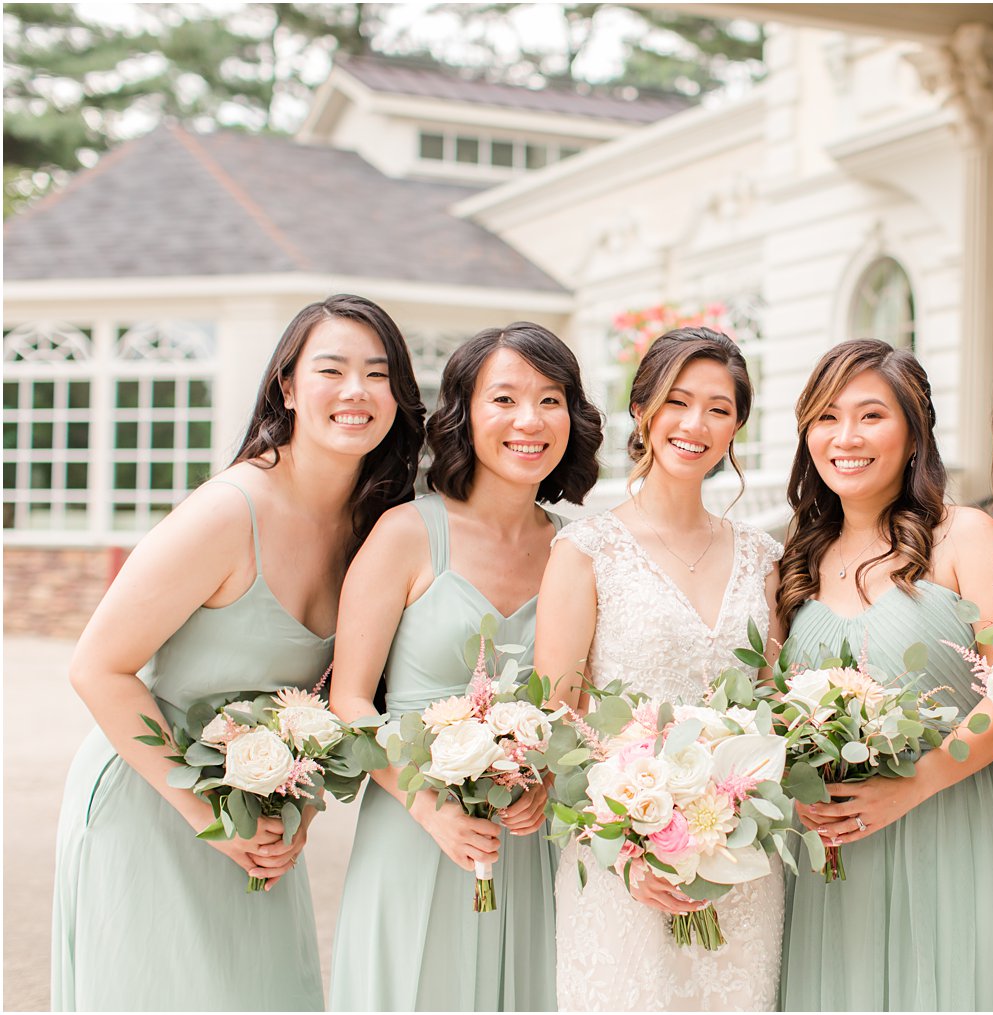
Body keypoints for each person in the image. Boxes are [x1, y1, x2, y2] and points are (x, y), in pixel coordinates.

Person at [52, 294, 424, 1011]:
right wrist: (209, 816)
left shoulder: (374, 525)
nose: (356, 391)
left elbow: (328, 697)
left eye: (378, 375)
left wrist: (297, 812)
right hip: (153, 804)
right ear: (286, 385)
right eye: (331, 369)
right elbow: (97, 666)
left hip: (258, 816)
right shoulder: (227, 512)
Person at [327, 323, 602, 1010]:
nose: (529, 420)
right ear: (463, 414)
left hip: (529, 842)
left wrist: (549, 777)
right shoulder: (407, 533)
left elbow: (578, 703)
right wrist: (431, 810)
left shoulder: (580, 550)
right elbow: (349, 699)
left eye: (550, 399)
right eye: (504, 399)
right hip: (416, 832)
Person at [778, 338, 993, 1011]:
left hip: (951, 830)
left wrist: (915, 783)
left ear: (913, 430)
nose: (847, 436)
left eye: (871, 415)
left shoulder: (967, 536)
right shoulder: (798, 559)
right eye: (827, 417)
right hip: (835, 858)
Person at [536, 327, 786, 1011]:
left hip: (741, 867)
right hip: (623, 865)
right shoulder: (586, 550)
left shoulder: (764, 557)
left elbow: (774, 707)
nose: (695, 424)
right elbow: (558, 720)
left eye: (718, 408)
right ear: (642, 408)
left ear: (736, 425)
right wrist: (625, 845)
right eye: (677, 400)